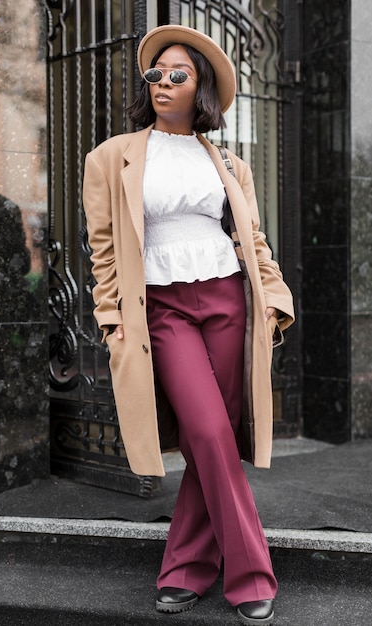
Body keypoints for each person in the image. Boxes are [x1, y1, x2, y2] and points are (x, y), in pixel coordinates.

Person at [83, 24, 294, 626]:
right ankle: (252, 573)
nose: (163, 84)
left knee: (218, 437)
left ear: (200, 87)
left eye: (179, 75)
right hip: (162, 306)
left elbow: (250, 236)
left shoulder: (228, 160)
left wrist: (274, 296)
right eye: (155, 75)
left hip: (227, 295)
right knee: (204, 430)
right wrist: (110, 316)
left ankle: (184, 569)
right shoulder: (111, 157)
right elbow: (103, 250)